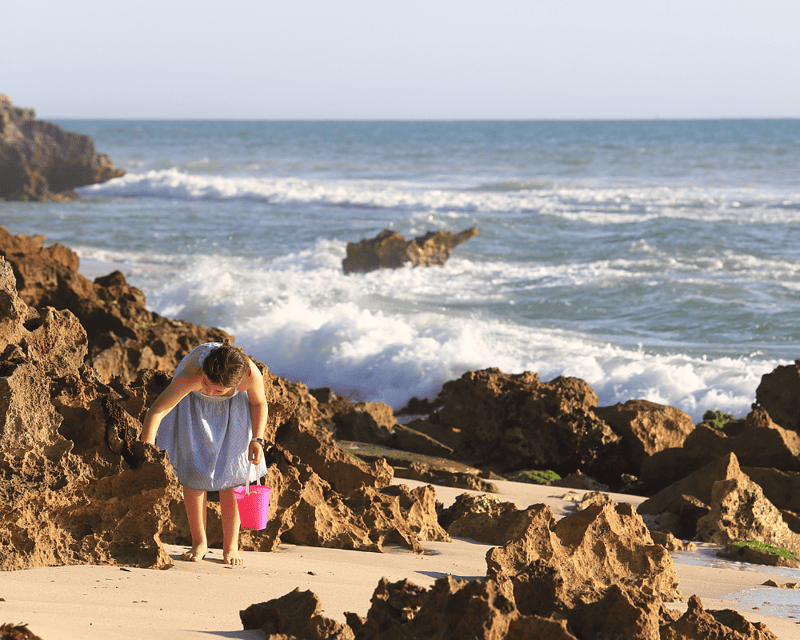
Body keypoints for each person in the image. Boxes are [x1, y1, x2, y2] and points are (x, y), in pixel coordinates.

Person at [140, 342, 269, 566]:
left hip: (234, 409)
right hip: (193, 406)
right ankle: (199, 542)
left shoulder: (249, 375)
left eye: (217, 389)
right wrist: (145, 450)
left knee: (232, 476)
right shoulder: (193, 375)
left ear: (239, 382)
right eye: (207, 384)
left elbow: (259, 403)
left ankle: (231, 546)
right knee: (194, 474)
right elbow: (157, 411)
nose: (209, 390)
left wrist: (257, 439)